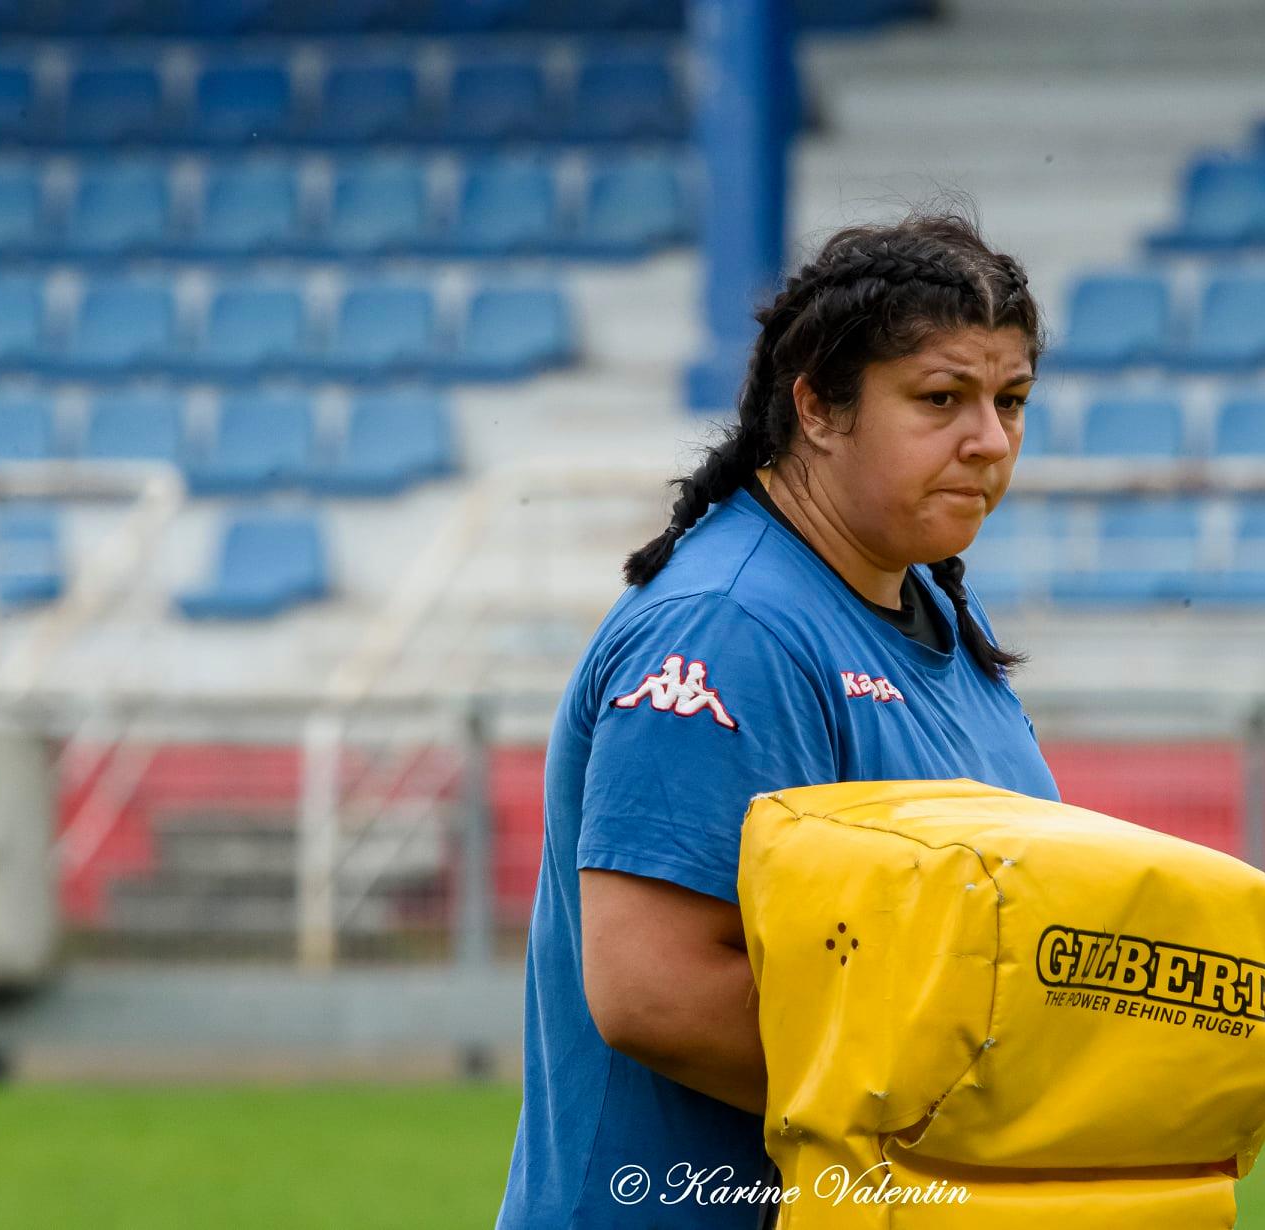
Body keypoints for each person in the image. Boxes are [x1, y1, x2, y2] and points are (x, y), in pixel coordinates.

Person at [495, 212, 1060, 1229]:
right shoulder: (730, 624)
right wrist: (987, 1113)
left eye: (1010, 400)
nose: (989, 439)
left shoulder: (933, 603)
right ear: (818, 407)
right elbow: (654, 991)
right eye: (940, 399)